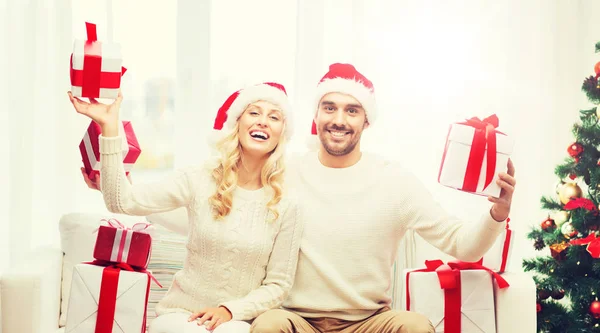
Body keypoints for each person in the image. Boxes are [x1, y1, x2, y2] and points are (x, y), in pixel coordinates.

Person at [248, 63, 516, 333]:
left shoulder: (393, 181)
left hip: (369, 322)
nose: (339, 120)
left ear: (366, 121)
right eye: (329, 108)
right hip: (296, 320)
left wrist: (498, 213)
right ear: (316, 115)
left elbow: (463, 245)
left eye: (351, 111)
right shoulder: (284, 173)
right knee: (268, 325)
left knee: (416, 326)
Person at [68, 81, 303, 333]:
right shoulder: (198, 179)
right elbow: (122, 201)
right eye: (254, 112)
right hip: (180, 316)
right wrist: (109, 126)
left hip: (238, 322)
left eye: (274, 117)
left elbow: (278, 286)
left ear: (282, 133)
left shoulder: (287, 205)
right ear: (237, 123)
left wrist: (229, 310)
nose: (263, 121)